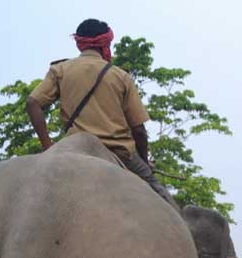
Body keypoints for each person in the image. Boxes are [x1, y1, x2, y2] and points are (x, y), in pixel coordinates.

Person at [26, 19, 175, 205]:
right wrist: (144, 162)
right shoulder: (120, 76)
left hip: (73, 149)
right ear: (105, 44)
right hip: (120, 153)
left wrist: (48, 146)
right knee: (166, 203)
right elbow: (138, 130)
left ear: (79, 44)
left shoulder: (60, 70)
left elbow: (32, 102)